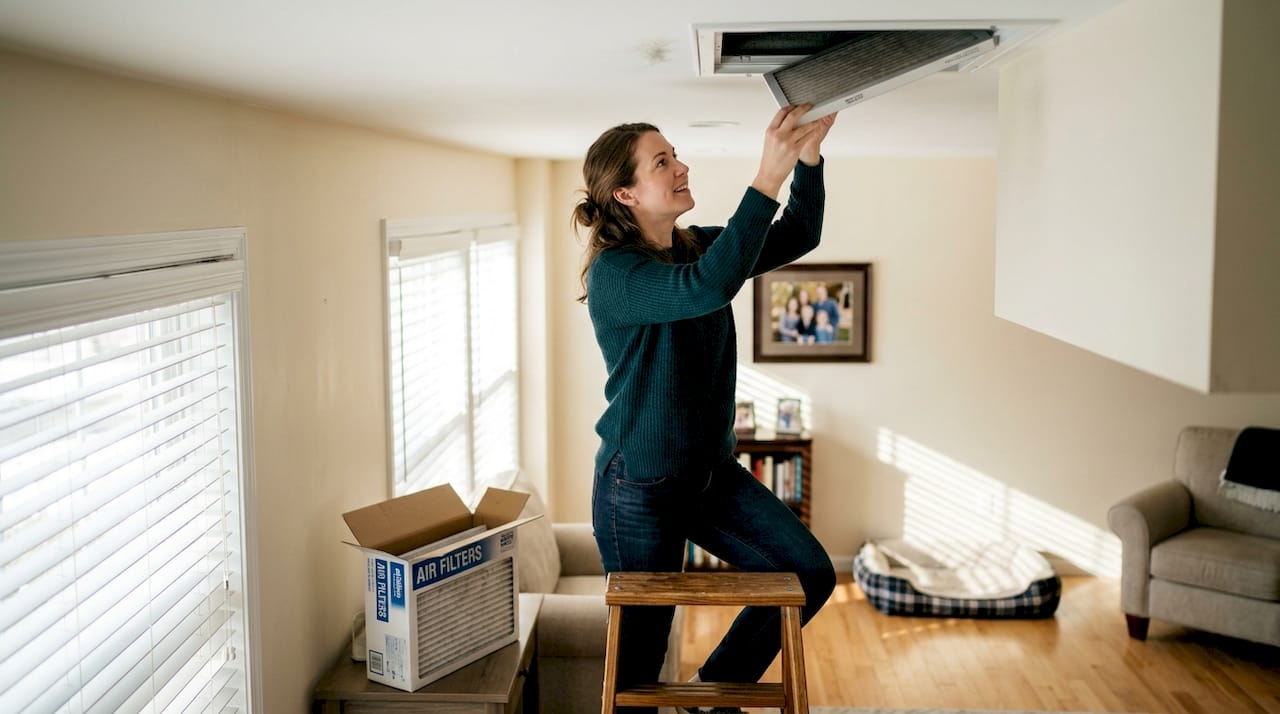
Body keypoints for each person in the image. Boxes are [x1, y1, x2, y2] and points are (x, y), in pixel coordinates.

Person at [573, 104, 837, 713]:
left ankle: (710, 695)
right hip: (637, 489)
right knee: (639, 663)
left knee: (810, 574)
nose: (680, 166)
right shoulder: (617, 272)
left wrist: (808, 158)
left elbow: (800, 233)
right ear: (626, 194)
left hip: (708, 474)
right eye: (662, 161)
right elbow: (708, 287)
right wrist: (764, 177)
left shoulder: (699, 245)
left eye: (674, 154)